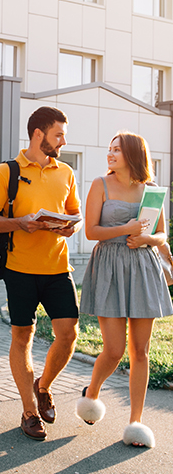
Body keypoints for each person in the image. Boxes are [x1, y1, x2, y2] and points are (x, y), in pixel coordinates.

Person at [0, 106, 82, 441]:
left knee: (68, 334)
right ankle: (28, 411)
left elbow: (73, 212)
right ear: (39, 134)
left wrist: (69, 227)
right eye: (59, 134)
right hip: (19, 270)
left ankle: (44, 386)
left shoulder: (66, 172)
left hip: (58, 267)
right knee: (22, 337)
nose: (63, 141)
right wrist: (20, 223)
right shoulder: (6, 172)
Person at [76, 132, 173, 448]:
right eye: (109, 149)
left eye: (117, 150)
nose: (110, 154)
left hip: (143, 269)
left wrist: (147, 239)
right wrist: (128, 229)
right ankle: (92, 394)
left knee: (141, 351)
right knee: (115, 349)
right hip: (110, 267)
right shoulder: (99, 185)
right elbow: (91, 231)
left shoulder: (151, 191)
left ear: (132, 155)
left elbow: (162, 234)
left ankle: (136, 422)